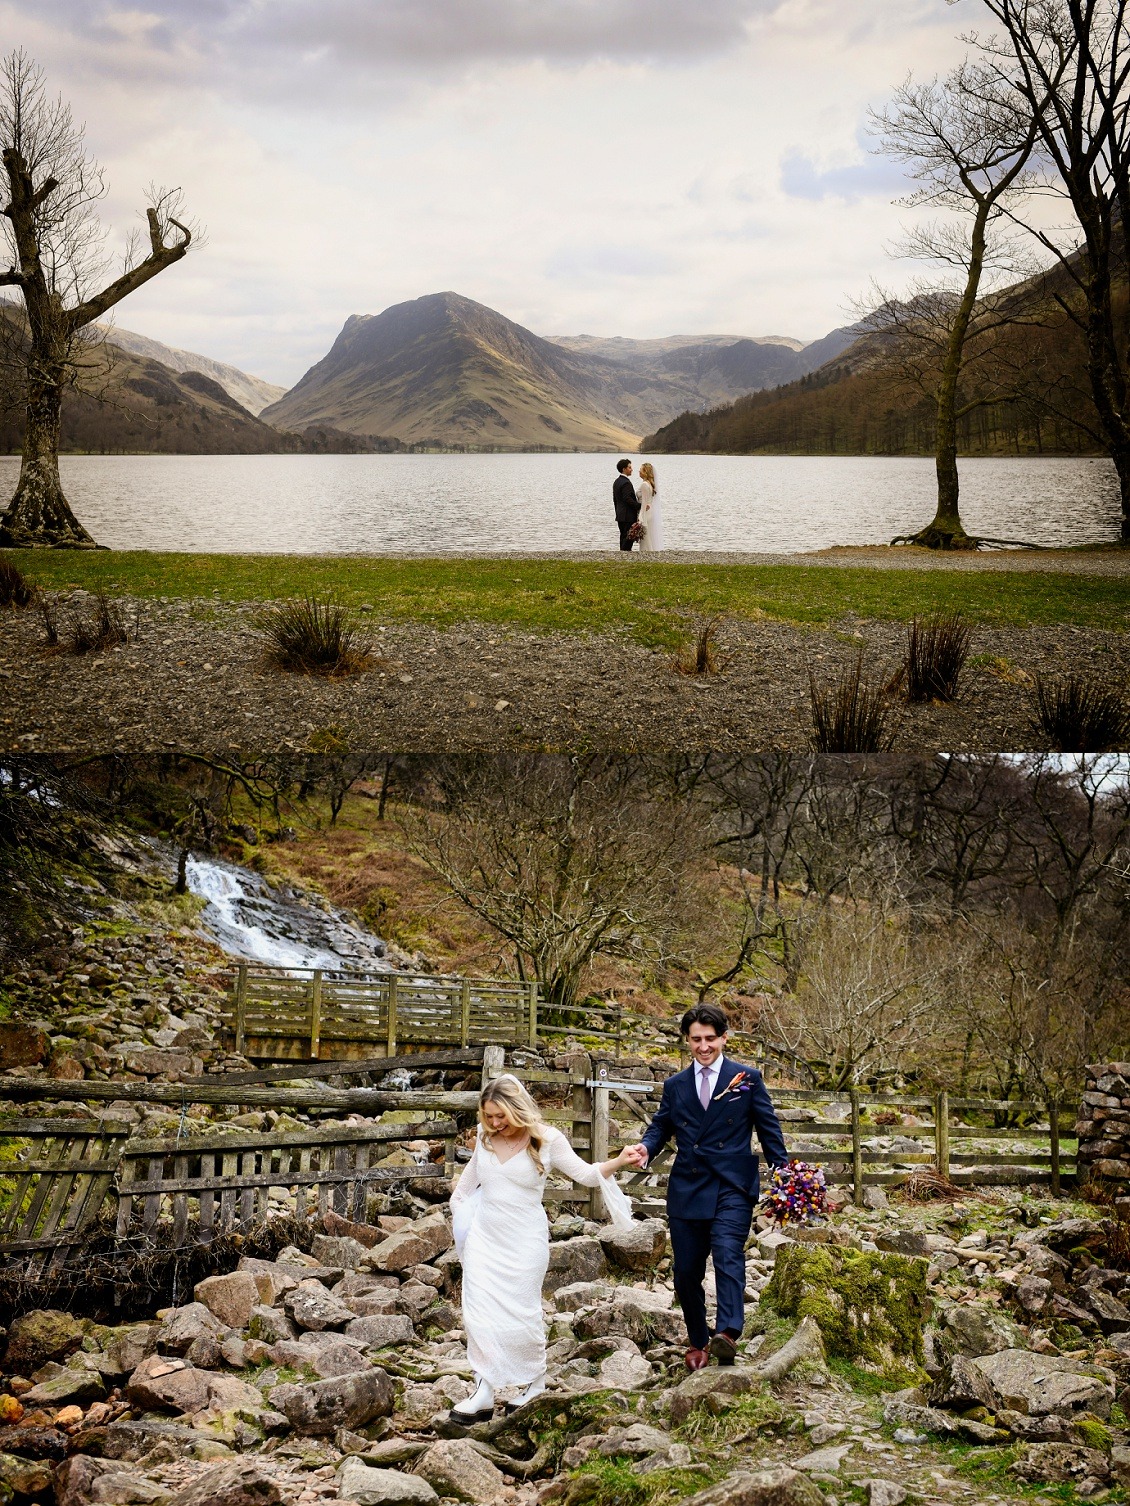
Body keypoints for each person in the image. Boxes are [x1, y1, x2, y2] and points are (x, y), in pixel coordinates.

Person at [449, 1073, 636, 1421]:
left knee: (523, 1314)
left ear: (516, 1109)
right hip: (484, 1242)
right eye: (487, 1115)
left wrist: (621, 1160)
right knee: (479, 1315)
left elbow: (588, 1175)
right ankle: (483, 1392)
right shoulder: (483, 1136)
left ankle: (535, 1383)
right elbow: (463, 1189)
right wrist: (466, 1226)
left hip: (524, 1242)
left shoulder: (548, 1140)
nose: (494, 1122)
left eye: (500, 1116)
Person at [624, 1003, 787, 1372]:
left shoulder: (747, 1078)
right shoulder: (675, 1085)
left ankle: (728, 1333)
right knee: (685, 1272)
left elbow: (768, 1129)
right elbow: (661, 1126)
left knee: (728, 1251)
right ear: (687, 1041)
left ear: (724, 1038)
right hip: (688, 1186)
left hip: (732, 1183)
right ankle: (698, 1339)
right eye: (696, 1039)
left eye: (710, 1039)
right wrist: (646, 1148)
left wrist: (784, 1174)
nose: (703, 1046)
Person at [612, 457, 641, 551]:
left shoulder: (617, 482)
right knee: (628, 538)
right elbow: (627, 499)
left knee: (623, 536)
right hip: (628, 515)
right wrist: (639, 506)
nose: (631, 469)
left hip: (620, 514)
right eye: (629, 467)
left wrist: (617, 511)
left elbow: (615, 500)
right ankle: (625, 554)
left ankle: (622, 554)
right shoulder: (626, 483)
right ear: (624, 469)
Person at [635, 462, 663, 552]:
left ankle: (647, 552)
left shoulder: (644, 485)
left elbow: (644, 503)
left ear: (645, 472)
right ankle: (649, 552)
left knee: (645, 536)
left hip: (645, 512)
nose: (639, 471)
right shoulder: (649, 484)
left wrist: (640, 517)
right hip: (649, 510)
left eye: (641, 469)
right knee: (647, 535)